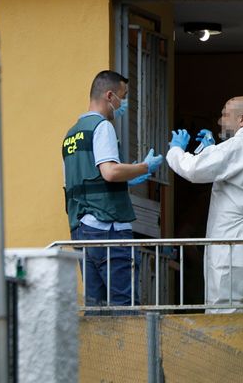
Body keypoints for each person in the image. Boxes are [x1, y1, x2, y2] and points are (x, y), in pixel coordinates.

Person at [165, 96, 243, 312]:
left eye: (225, 115)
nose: (220, 121)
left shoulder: (238, 146)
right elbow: (241, 179)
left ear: (241, 119)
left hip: (233, 239)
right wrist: (212, 151)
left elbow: (193, 169)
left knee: (225, 309)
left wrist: (175, 151)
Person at [62, 70, 162, 308]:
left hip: (82, 230)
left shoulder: (71, 135)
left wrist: (127, 179)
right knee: (123, 307)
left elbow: (83, 181)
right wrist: (143, 167)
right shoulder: (102, 127)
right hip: (108, 228)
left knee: (95, 309)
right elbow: (109, 171)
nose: (123, 103)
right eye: (123, 96)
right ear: (110, 96)